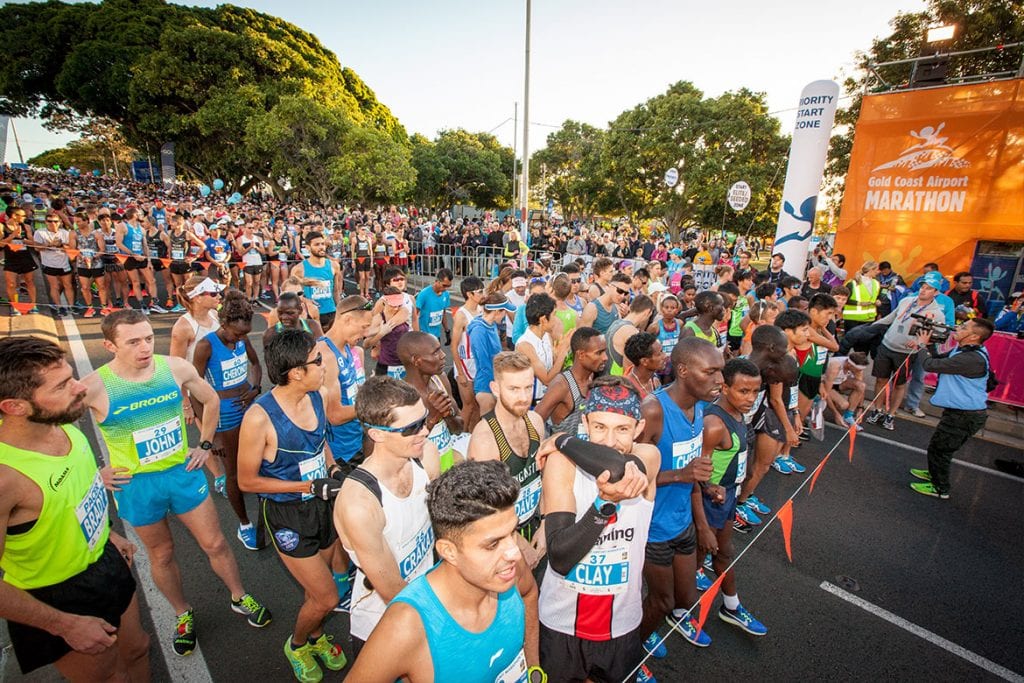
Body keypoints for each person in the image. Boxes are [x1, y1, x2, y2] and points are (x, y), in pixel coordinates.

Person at [82, 309, 270, 657]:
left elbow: (211, 400)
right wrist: (95, 470)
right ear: (109, 345)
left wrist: (204, 444)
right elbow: (54, 433)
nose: (144, 348)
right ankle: (183, 614)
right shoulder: (93, 386)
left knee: (215, 543)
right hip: (137, 486)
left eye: (149, 338)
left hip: (182, 476)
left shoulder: (175, 368)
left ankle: (238, 595)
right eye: (133, 342)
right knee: (162, 554)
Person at [0, 337, 150, 681]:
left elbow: (72, 493)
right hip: (57, 598)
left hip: (104, 562)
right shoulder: (5, 479)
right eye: (63, 384)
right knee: (110, 677)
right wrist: (63, 624)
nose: (81, 387)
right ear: (15, 407)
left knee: (138, 648)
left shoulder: (60, 422)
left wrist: (107, 534)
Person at [346, 460, 533, 683]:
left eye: (513, 532)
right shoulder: (407, 626)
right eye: (492, 544)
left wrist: (534, 668)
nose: (514, 552)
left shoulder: (507, 570)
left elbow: (530, 593)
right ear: (449, 551)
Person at [235, 329, 347, 681]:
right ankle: (297, 643)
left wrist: (332, 467)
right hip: (287, 514)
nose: (324, 365)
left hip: (322, 504)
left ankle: (315, 635)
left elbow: (320, 443)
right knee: (327, 597)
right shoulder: (259, 418)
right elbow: (246, 482)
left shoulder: (318, 395)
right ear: (296, 372)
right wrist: (308, 484)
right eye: (317, 360)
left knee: (319, 588)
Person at [535, 378, 660, 683]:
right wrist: (603, 506)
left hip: (621, 623)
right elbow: (561, 558)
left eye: (622, 429)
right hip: (562, 622)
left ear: (639, 428)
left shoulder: (648, 457)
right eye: (600, 427)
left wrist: (563, 439)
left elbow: (617, 467)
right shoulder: (562, 464)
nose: (608, 440)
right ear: (586, 421)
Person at [334, 376, 441, 660]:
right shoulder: (359, 503)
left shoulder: (426, 456)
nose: (425, 432)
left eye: (424, 420)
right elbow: (392, 590)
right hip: (382, 627)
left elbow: (443, 521)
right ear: (377, 434)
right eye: (411, 428)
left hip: (428, 602)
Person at [637, 338, 719, 652]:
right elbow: (631, 475)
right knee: (661, 601)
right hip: (653, 529)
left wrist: (702, 524)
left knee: (686, 598)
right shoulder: (653, 410)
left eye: (720, 372)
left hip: (682, 522)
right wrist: (679, 475)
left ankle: (660, 619)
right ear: (683, 371)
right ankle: (633, 649)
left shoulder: (699, 407)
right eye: (710, 372)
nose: (719, 381)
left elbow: (693, 474)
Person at [695, 358, 768, 637]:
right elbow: (698, 469)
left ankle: (731, 606)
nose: (751, 399)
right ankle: (678, 613)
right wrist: (710, 489)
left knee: (724, 553)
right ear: (724, 388)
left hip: (728, 499)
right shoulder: (714, 424)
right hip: (711, 502)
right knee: (696, 562)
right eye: (743, 391)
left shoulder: (739, 414)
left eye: (755, 391)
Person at [192, 290, 263, 548]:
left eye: (245, 333)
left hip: (248, 408)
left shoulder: (243, 339)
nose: (241, 338)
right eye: (236, 333)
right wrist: (209, 436)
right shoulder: (206, 346)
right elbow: (195, 391)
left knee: (257, 457)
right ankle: (244, 524)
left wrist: (255, 389)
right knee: (232, 472)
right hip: (224, 416)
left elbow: (256, 365)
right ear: (223, 324)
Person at [909, 318, 996, 499]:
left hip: (966, 415)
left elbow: (930, 365)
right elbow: (938, 357)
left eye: (963, 327)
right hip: (959, 411)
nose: (958, 327)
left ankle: (940, 488)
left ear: (974, 336)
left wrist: (922, 347)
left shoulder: (971, 359)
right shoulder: (966, 349)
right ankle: (934, 472)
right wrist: (928, 345)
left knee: (941, 449)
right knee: (938, 445)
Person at [865, 271, 946, 432]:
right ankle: (877, 409)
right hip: (887, 345)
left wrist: (917, 342)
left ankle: (891, 414)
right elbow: (892, 317)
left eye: (929, 288)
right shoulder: (907, 301)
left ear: (936, 292)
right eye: (923, 286)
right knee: (881, 379)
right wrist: (871, 327)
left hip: (906, 353)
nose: (923, 290)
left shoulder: (937, 314)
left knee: (899, 384)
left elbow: (937, 337)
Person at [398, 331, 465, 472]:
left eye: (440, 349)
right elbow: (401, 450)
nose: (443, 355)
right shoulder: (400, 397)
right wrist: (433, 418)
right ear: (416, 360)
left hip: (448, 468)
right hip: (422, 475)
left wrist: (448, 415)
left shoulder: (440, 380)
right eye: (435, 353)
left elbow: (458, 429)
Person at [535, 327, 607, 437]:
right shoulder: (562, 385)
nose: (605, 357)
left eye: (605, 352)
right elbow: (534, 421)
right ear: (581, 355)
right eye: (599, 353)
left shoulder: (592, 378)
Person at [467, 292, 517, 415]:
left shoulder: (492, 325)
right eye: (504, 311)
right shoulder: (478, 331)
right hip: (486, 386)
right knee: (489, 428)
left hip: (495, 382)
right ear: (497, 312)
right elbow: (484, 364)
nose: (506, 315)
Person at [516, 292, 572, 403]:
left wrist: (558, 354)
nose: (556, 319)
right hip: (530, 404)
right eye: (554, 314)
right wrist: (563, 351)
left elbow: (554, 370)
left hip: (547, 398)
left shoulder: (547, 336)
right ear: (543, 320)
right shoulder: (525, 345)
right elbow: (546, 379)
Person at [290, 231, 342, 331]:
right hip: (310, 315)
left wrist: (339, 311)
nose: (321, 247)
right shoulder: (298, 269)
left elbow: (336, 291)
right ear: (308, 247)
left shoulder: (334, 265)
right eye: (317, 244)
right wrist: (305, 300)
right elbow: (292, 295)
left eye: (322, 244)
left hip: (331, 312)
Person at [451, 276, 485, 429]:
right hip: (465, 364)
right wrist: (460, 372)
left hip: (478, 363)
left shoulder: (481, 310)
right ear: (469, 294)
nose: (483, 294)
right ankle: (460, 437)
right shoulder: (461, 315)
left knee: (478, 405)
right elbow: (454, 345)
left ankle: (473, 436)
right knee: (469, 405)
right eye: (480, 291)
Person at [34, 211, 75, 317]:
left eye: (55, 221)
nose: (53, 223)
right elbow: (37, 248)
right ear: (46, 222)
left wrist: (61, 245)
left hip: (64, 263)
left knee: (68, 285)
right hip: (49, 263)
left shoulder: (65, 233)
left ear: (60, 222)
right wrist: (50, 244)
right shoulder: (40, 232)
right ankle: (59, 306)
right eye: (50, 221)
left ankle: (71, 306)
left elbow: (71, 248)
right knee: (54, 286)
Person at [605, 294, 656, 376]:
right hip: (618, 380)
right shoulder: (631, 332)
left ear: (631, 306)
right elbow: (629, 368)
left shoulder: (617, 322)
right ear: (647, 312)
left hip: (607, 375)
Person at [2, 205, 40, 313]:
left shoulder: (26, 226)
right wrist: (13, 235)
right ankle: (15, 306)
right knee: (11, 283)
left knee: (29, 281)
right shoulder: (2, 227)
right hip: (11, 258)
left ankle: (33, 305)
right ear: (14, 216)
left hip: (25, 257)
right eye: (22, 215)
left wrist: (41, 244)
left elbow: (31, 241)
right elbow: (1, 244)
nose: (25, 217)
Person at [823, 351, 869, 428]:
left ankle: (848, 416)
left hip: (839, 384)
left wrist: (860, 409)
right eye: (857, 369)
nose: (859, 372)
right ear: (849, 364)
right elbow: (826, 392)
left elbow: (861, 390)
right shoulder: (835, 366)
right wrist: (836, 414)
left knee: (861, 385)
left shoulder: (857, 369)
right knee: (843, 405)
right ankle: (816, 399)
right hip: (824, 385)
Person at [624, 331, 668, 398]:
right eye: (659, 354)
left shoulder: (654, 379)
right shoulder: (627, 389)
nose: (665, 356)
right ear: (644, 361)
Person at [843, 261, 881, 331]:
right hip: (853, 319)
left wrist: (877, 301)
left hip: (870, 318)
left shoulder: (876, 283)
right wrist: (859, 303)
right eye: (877, 269)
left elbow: (876, 297)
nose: (878, 272)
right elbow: (843, 300)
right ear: (871, 270)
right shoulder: (852, 283)